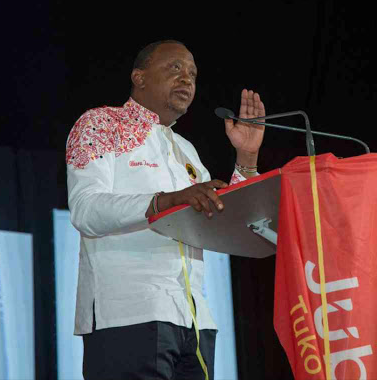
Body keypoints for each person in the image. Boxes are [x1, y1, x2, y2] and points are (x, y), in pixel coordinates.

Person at [66, 39, 265, 380]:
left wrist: (246, 159)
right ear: (139, 77)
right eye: (175, 68)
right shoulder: (101, 124)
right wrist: (166, 200)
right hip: (128, 314)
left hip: (195, 322)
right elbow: (86, 210)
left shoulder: (185, 150)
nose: (187, 79)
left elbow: (226, 219)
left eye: (192, 73)